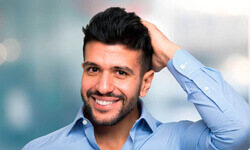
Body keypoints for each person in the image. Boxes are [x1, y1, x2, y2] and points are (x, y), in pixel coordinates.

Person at [23, 7, 249, 150]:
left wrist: (171, 53)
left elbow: (239, 130)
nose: (102, 87)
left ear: (145, 83)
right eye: (93, 69)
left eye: (120, 72)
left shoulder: (178, 142)